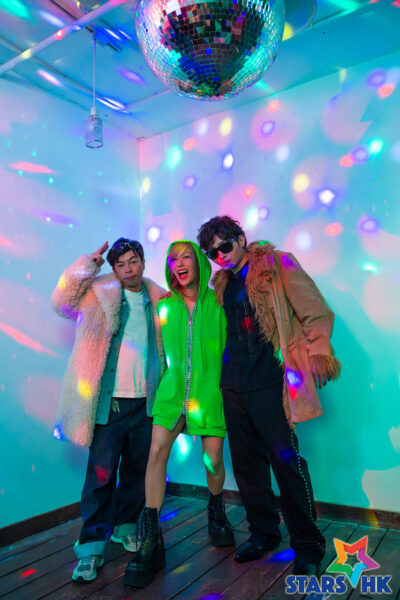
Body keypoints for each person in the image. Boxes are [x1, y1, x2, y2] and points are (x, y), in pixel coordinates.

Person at [197, 216, 341, 577]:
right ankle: (264, 533)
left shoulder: (278, 264)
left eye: (224, 246)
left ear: (240, 238)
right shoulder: (222, 283)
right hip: (233, 385)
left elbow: (316, 312)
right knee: (246, 466)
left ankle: (308, 546)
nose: (220, 255)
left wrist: (318, 354)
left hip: (271, 382)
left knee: (287, 464)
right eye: (212, 253)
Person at [51, 238, 165, 582]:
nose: (128, 269)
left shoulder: (158, 298)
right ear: (113, 268)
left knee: (136, 471)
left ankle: (126, 527)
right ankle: (90, 548)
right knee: (100, 477)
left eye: (133, 261)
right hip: (109, 403)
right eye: (121, 264)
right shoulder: (98, 293)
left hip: (145, 402)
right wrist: (89, 265)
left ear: (143, 261)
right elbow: (61, 303)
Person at [124, 240, 234, 588]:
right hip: (171, 394)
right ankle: (150, 540)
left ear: (199, 261)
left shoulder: (219, 302)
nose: (180, 263)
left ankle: (216, 511)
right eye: (173, 259)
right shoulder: (165, 304)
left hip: (207, 394)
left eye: (186, 256)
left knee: (213, 462)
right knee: (156, 453)